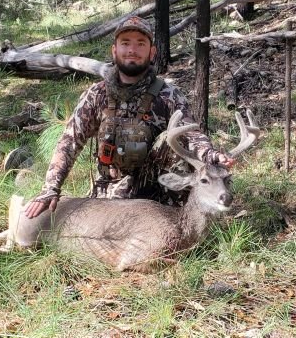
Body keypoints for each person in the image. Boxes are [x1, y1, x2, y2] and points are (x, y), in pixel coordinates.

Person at [26, 16, 234, 218]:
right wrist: (50, 189)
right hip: (113, 191)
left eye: (140, 44)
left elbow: (192, 135)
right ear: (114, 50)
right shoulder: (96, 94)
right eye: (125, 43)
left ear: (152, 52)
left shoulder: (169, 95)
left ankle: (179, 212)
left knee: (173, 137)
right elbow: (69, 142)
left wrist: (210, 155)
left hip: (160, 191)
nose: (132, 50)